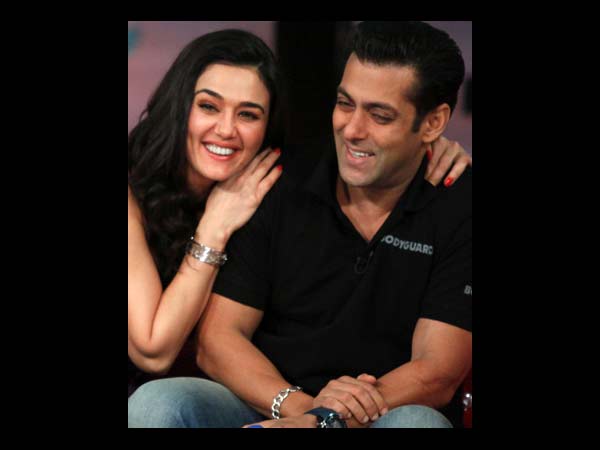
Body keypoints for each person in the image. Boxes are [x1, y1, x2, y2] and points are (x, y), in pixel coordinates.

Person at [128, 22, 472, 427]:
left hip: (382, 413)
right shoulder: (265, 187)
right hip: (269, 405)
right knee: (158, 403)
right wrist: (300, 411)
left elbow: (437, 371)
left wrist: (324, 419)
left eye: (380, 115)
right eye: (345, 103)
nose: (353, 129)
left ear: (433, 123)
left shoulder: (458, 201)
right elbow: (198, 342)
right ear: (178, 104)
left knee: (418, 423)